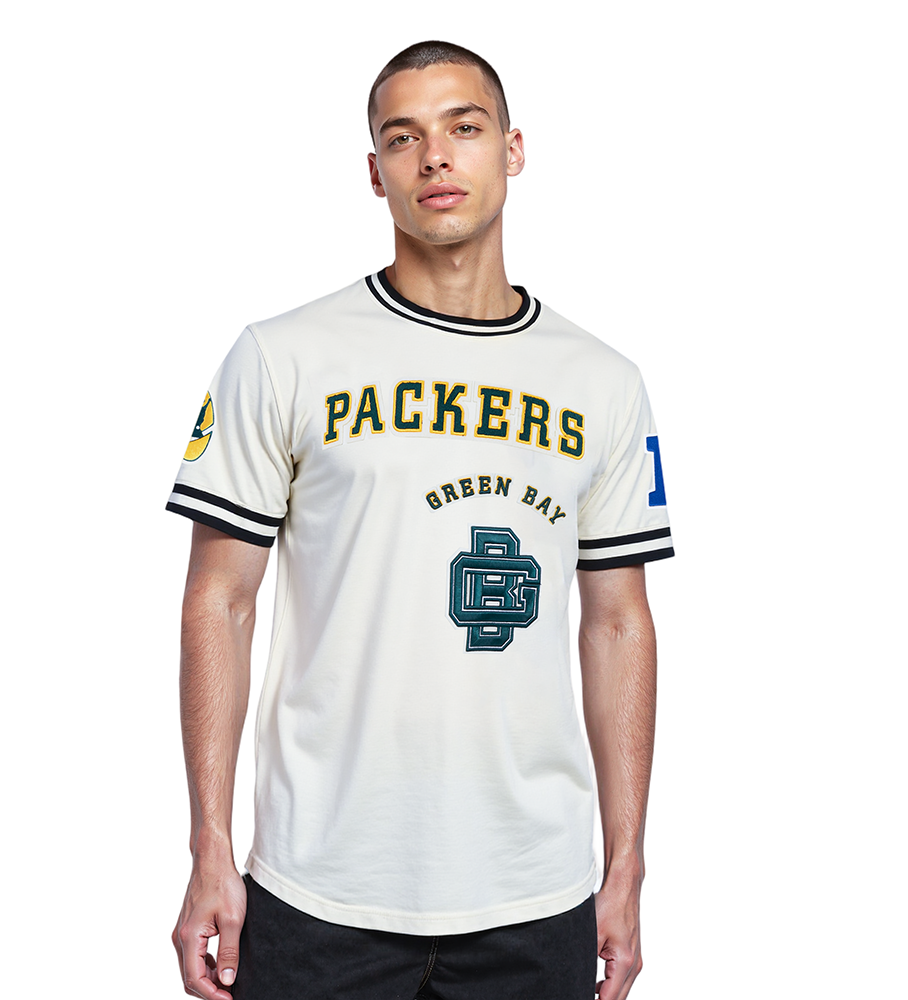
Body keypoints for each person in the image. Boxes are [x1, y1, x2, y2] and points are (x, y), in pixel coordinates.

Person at [167, 40, 673, 1000]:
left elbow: (618, 622)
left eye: (463, 127)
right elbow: (218, 603)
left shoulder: (603, 383)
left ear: (513, 150)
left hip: (536, 893)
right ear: (376, 172)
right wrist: (209, 847)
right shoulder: (283, 357)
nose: (435, 156)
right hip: (318, 888)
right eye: (403, 138)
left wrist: (628, 864)